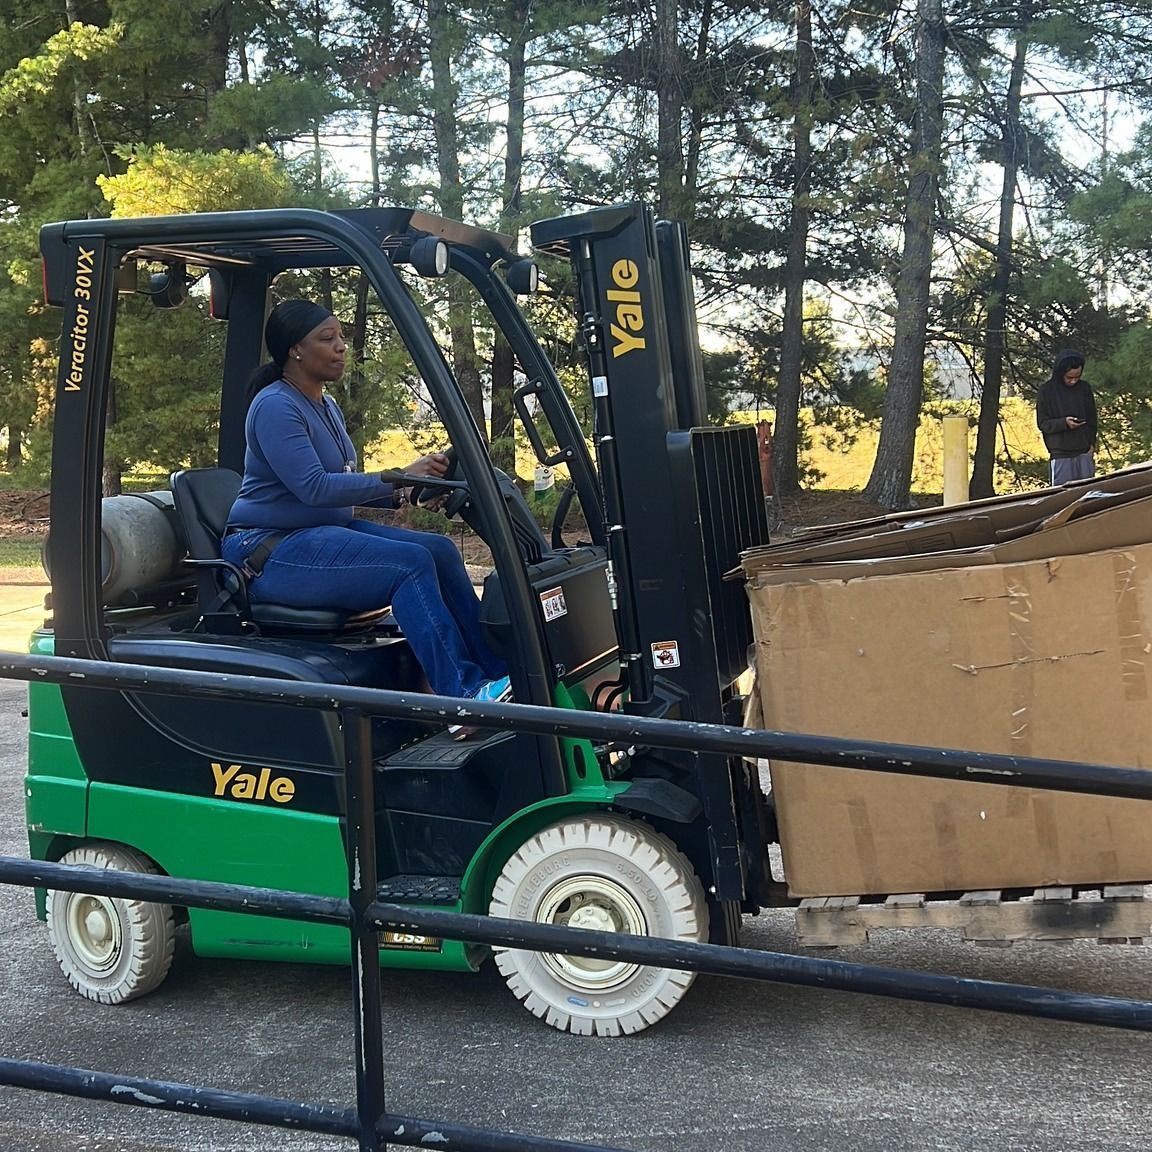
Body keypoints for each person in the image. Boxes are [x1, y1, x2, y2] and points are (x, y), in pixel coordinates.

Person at [222, 298, 510, 715]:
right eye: (328, 338)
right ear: (295, 349)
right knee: (407, 563)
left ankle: (498, 675)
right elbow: (314, 488)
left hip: (316, 534)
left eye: (341, 337)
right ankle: (463, 696)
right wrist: (397, 475)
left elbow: (340, 479)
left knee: (440, 551)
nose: (342, 347)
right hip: (267, 551)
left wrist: (411, 485)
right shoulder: (275, 406)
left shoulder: (326, 404)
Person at [1035, 349, 1098, 485]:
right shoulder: (1046, 391)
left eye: (1077, 377)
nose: (1073, 381)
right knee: (1061, 496)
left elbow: (1092, 418)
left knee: (1088, 492)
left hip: (1084, 450)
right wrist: (1064, 423)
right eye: (1069, 377)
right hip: (1060, 453)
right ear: (1060, 373)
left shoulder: (1084, 388)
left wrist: (1092, 443)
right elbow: (1043, 423)